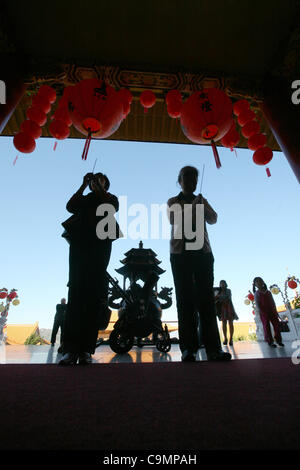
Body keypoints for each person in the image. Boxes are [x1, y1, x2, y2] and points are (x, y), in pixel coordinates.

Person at [167, 165, 231, 362]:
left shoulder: (202, 200)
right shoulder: (173, 201)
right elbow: (173, 219)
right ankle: (188, 349)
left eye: (194, 178)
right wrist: (194, 206)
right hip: (180, 255)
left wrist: (202, 206)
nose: (191, 181)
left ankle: (213, 349)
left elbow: (214, 219)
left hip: (203, 253)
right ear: (180, 181)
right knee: (184, 301)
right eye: (187, 178)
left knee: (205, 300)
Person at [59, 172, 120, 365]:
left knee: (93, 298)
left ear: (106, 184)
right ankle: (70, 350)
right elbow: (70, 207)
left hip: (100, 245)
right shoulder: (84, 199)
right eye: (95, 179)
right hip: (79, 245)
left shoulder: (110, 198)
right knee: (75, 293)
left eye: (101, 179)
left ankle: (85, 350)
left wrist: (99, 187)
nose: (97, 181)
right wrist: (83, 185)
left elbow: (112, 206)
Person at [253, 277, 284, 347]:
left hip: (272, 310)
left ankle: (279, 340)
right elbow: (257, 304)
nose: (259, 283)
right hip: (263, 312)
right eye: (257, 282)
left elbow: (273, 302)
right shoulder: (257, 293)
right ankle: (270, 341)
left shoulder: (268, 292)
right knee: (266, 326)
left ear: (263, 282)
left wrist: (275, 311)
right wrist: (261, 311)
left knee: (276, 325)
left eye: (260, 281)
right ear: (255, 285)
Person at [215, 280, 239, 346]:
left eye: (223, 283)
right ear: (219, 285)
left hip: (229, 306)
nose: (222, 285)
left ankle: (231, 338)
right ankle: (225, 338)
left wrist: (219, 297)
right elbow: (216, 298)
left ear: (226, 284)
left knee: (230, 322)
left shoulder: (228, 290)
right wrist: (218, 297)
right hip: (222, 308)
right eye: (221, 284)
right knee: (224, 323)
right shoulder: (218, 291)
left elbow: (228, 298)